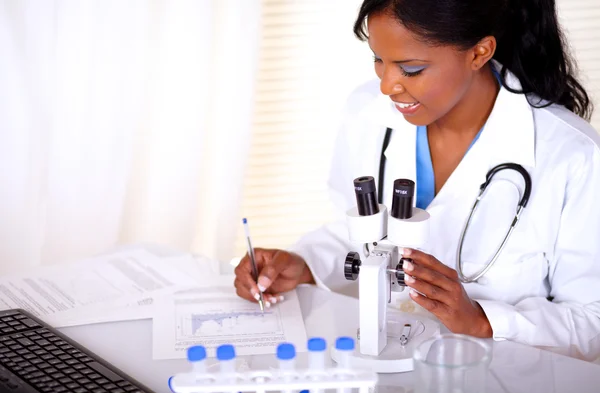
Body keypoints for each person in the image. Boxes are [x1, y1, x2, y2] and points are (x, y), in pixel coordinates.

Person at [234, 0, 600, 361]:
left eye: (410, 69)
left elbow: (592, 322)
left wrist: (482, 322)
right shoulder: (367, 113)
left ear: (479, 52)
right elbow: (358, 231)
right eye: (379, 60)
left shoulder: (572, 155)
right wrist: (305, 265)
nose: (387, 86)